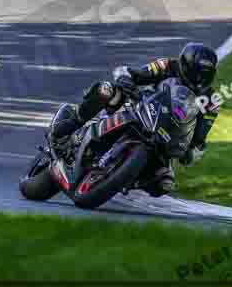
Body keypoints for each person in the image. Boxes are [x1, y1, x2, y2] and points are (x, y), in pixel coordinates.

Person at [50, 42, 219, 196]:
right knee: (107, 91)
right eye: (196, 73)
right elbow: (136, 72)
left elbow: (201, 133)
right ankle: (71, 125)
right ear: (185, 65)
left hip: (166, 137)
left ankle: (122, 180)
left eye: (204, 75)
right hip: (140, 108)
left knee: (164, 184)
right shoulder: (168, 66)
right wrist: (127, 78)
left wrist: (193, 151)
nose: (198, 79)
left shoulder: (211, 100)